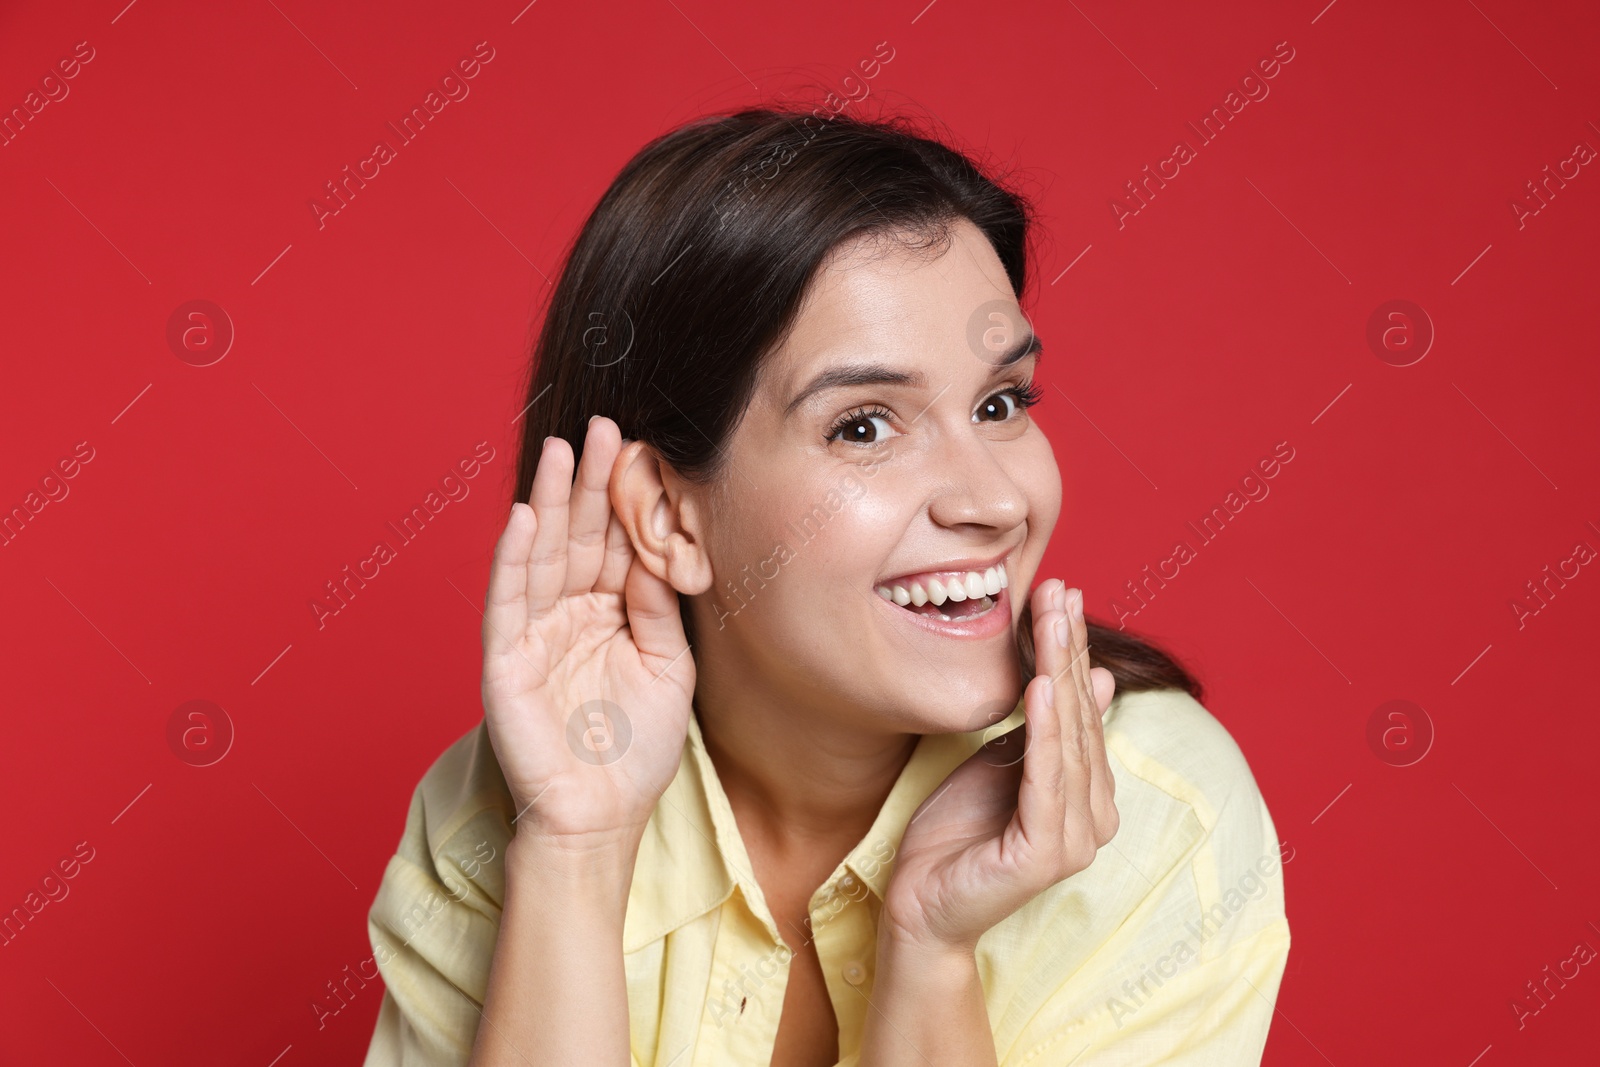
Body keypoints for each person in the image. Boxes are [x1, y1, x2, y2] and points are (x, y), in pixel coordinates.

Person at [360, 106, 1290, 1066]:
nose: (994, 499)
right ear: (670, 516)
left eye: (999, 403)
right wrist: (574, 857)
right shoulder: (512, 807)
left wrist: (930, 950)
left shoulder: (1156, 819)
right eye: (863, 426)